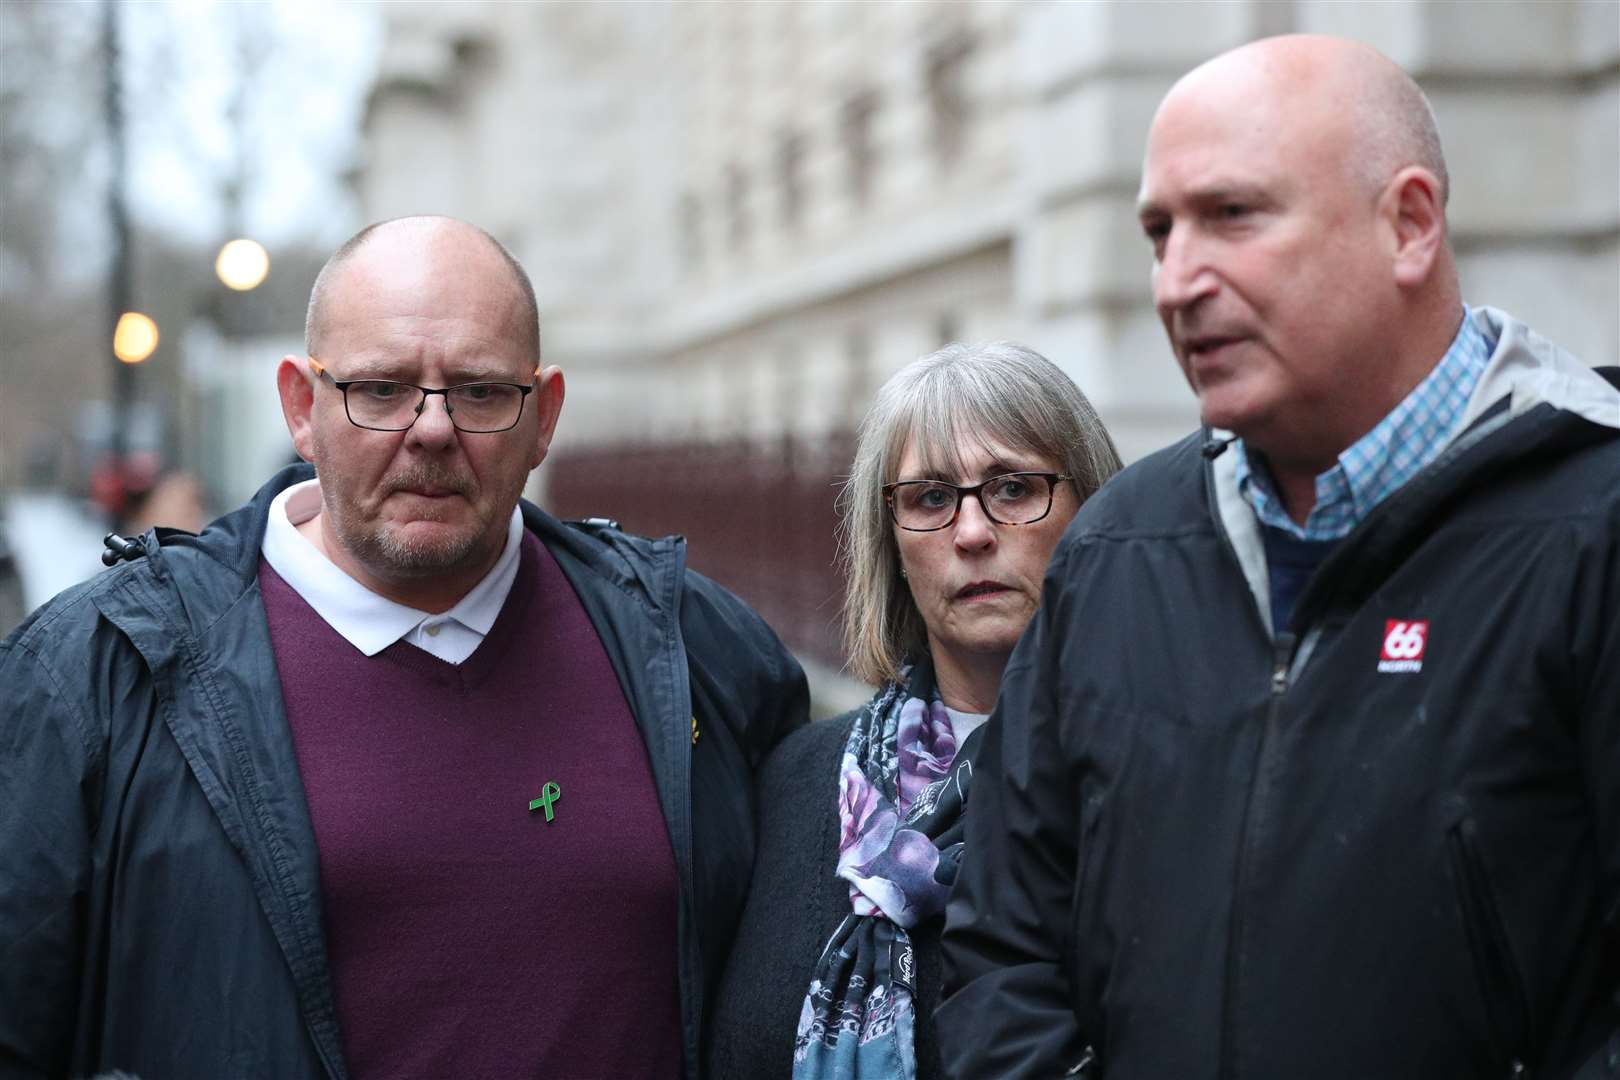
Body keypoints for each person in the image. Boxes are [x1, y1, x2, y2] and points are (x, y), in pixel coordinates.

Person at [937, 34, 1620, 1079]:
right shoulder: (1118, 549)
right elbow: (1003, 943)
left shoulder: (1590, 524)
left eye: (1232, 216)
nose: (1176, 280)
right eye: (1159, 232)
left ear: (1409, 224)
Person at [0, 216, 809, 1079]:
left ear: (545, 418)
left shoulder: (698, 653)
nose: (431, 429)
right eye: (381, 389)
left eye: (480, 392)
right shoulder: (97, 677)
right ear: (302, 409)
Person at [707, 342, 1122, 1079]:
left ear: (1091, 507)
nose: (971, 532)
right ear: (892, 544)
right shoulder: (800, 781)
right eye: (931, 498)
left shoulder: (1151, 769)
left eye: (1015, 488)